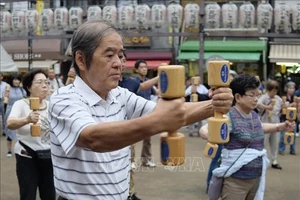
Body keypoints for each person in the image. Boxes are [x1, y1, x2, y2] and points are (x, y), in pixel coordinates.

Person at [49, 18, 233, 200]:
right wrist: (158, 121)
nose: (119, 63)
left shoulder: (120, 95)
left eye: (121, 56)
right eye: (109, 55)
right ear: (81, 59)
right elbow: (93, 138)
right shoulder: (63, 98)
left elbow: (172, 113)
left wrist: (214, 104)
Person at [200, 74, 294, 200]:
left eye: (257, 95)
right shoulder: (229, 116)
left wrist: (281, 126)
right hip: (235, 181)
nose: (256, 99)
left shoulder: (253, 115)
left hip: (255, 179)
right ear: (238, 97)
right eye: (251, 95)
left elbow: (260, 127)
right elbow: (206, 127)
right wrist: (208, 134)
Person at [6, 69, 55, 200]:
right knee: (28, 194)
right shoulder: (21, 104)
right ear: (29, 87)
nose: (45, 85)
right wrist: (26, 120)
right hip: (27, 155)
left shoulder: (51, 106)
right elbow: (10, 123)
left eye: (46, 82)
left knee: (49, 194)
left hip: (48, 156)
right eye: (39, 82)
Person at [119, 53, 158, 200]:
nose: (119, 63)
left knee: (128, 163)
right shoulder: (101, 84)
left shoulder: (130, 83)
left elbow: (144, 87)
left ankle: (130, 193)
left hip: (131, 126)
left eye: (122, 60)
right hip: (110, 133)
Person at [201, 70, 238, 192]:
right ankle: (209, 185)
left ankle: (221, 186)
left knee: (224, 161)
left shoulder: (236, 93)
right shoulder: (216, 91)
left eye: (232, 77)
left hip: (230, 130)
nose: (230, 79)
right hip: (218, 128)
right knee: (216, 160)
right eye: (228, 77)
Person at [134, 59, 158, 167]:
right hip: (135, 112)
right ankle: (131, 161)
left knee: (147, 138)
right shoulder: (133, 82)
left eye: (145, 67)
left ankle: (146, 159)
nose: (144, 69)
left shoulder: (150, 82)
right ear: (136, 69)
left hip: (147, 112)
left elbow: (157, 92)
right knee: (131, 138)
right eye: (141, 67)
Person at [257, 80, 283, 170]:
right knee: (263, 142)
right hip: (265, 122)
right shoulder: (264, 98)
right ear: (269, 90)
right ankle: (261, 160)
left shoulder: (278, 99)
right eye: (273, 90)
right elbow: (257, 104)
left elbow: (282, 108)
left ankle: (274, 160)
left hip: (276, 122)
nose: (275, 92)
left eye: (276, 90)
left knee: (275, 142)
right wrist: (266, 107)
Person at [4, 74, 26, 157]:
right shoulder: (8, 89)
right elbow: (5, 99)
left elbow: (25, 98)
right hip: (10, 111)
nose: (16, 81)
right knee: (9, 131)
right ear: (12, 80)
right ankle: (9, 150)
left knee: (21, 130)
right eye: (14, 79)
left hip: (20, 112)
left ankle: (21, 149)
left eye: (18, 79)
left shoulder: (22, 89)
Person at [279, 81, 297, 155]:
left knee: (294, 135)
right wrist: (292, 104)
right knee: (283, 135)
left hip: (293, 118)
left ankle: (292, 150)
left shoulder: (295, 97)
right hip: (284, 118)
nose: (291, 90)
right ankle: (281, 149)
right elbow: (283, 106)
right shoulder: (283, 97)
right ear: (286, 89)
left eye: (293, 88)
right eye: (290, 88)